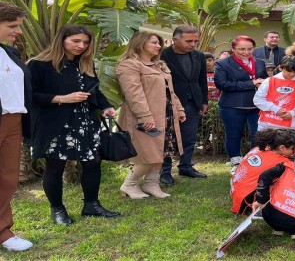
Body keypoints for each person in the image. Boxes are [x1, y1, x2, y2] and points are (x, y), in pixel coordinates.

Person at [28, 25, 119, 225]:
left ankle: (91, 205)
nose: (81, 46)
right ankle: (58, 210)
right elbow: (30, 96)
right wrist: (61, 98)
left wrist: (106, 106)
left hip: (85, 121)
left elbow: (95, 90)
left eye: (85, 42)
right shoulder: (40, 64)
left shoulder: (84, 63)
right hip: (56, 124)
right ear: (62, 40)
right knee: (55, 167)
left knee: (93, 162)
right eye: (75, 41)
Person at [116, 31, 186, 199]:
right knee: (147, 153)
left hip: (165, 114)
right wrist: (145, 116)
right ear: (140, 44)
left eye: (159, 43)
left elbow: (170, 91)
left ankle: (151, 184)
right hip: (144, 116)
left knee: (160, 151)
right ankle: (129, 185)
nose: (159, 46)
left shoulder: (158, 65)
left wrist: (179, 109)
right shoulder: (129, 65)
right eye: (154, 42)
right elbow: (133, 94)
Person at [0, 2, 33, 251]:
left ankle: (3, 232)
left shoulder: (10, 53)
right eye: (12, 26)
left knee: (8, 179)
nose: (18, 32)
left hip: (13, 120)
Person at [160, 26, 209, 185]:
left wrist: (204, 101)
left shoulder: (199, 56)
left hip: (192, 102)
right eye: (189, 41)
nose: (193, 44)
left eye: (195, 41)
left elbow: (202, 80)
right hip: (168, 103)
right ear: (175, 40)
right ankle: (165, 171)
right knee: (167, 139)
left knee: (189, 137)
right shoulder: (162, 55)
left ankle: (186, 166)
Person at [214, 36, 268, 167]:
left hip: (256, 105)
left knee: (258, 134)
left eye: (250, 49)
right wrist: (251, 83)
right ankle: (236, 162)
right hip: (232, 105)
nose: (246, 52)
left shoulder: (259, 62)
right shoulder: (223, 63)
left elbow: (265, 79)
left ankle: (255, 160)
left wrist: (263, 84)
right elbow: (222, 84)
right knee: (233, 134)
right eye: (242, 49)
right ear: (233, 49)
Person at [230, 129, 295, 215]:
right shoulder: (283, 162)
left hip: (237, 191)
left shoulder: (258, 149)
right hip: (247, 200)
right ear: (282, 148)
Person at [253, 55, 295, 131]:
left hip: (290, 127)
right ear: (280, 68)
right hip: (267, 125)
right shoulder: (269, 81)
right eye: (289, 71)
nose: (292, 74)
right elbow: (258, 100)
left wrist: (292, 113)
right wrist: (276, 109)